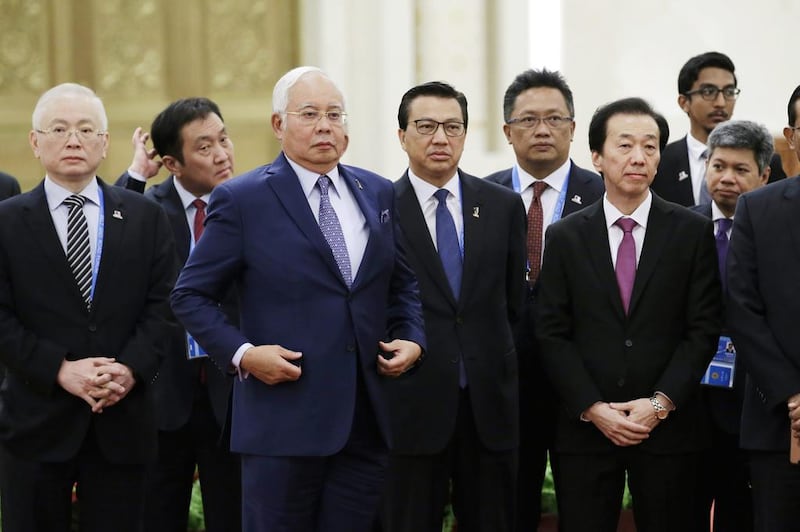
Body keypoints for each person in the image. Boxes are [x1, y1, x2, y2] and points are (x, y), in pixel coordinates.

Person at [170, 66, 426, 532]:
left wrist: (412, 337)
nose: (325, 125)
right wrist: (245, 355)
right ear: (278, 124)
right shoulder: (243, 198)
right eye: (309, 114)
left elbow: (401, 284)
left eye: (335, 114)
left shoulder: (378, 191)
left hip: (364, 420)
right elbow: (190, 295)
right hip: (282, 419)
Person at [536, 97, 721, 532]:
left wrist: (658, 405)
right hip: (586, 430)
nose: (639, 157)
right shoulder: (565, 236)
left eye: (651, 146)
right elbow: (551, 332)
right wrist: (592, 407)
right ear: (597, 156)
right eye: (625, 145)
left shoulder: (691, 231)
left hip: (669, 428)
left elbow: (703, 328)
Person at [0, 83, 176, 532]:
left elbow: (164, 309)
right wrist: (59, 369)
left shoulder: (145, 217)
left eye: (85, 129)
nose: (73, 140)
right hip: (35, 424)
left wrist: (130, 371)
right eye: (58, 129)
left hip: (122, 423)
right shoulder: (7, 221)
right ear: (35, 142)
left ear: (105, 143)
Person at [378, 81, 526, 532]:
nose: (440, 138)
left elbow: (514, 305)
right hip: (410, 403)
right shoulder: (378, 207)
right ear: (402, 135)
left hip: (487, 406)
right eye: (425, 126)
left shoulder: (501, 205)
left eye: (453, 127)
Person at [484, 68, 604, 530]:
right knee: (512, 503)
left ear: (573, 129)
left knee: (584, 504)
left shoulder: (605, 194)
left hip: (584, 380)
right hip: (506, 379)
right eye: (529, 120)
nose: (542, 130)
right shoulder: (481, 195)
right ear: (507, 130)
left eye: (555, 119)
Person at [119, 98, 241, 532]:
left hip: (233, 394)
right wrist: (135, 177)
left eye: (223, 139)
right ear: (172, 162)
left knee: (235, 515)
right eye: (205, 147)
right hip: (163, 394)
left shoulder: (250, 203)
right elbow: (108, 237)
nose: (223, 154)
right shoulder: (149, 210)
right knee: (156, 515)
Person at [727, 85, 800, 532]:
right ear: (792, 136)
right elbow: (742, 307)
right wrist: (792, 394)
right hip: (778, 419)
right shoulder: (758, 208)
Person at [692, 119, 771, 531]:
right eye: (718, 165)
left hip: (755, 402)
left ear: (764, 175)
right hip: (688, 402)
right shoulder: (680, 228)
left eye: (741, 170)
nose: (726, 178)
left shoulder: (778, 233)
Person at [652, 51, 785, 207]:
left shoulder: (765, 160)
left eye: (729, 92)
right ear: (684, 102)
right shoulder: (660, 161)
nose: (721, 103)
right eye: (708, 92)